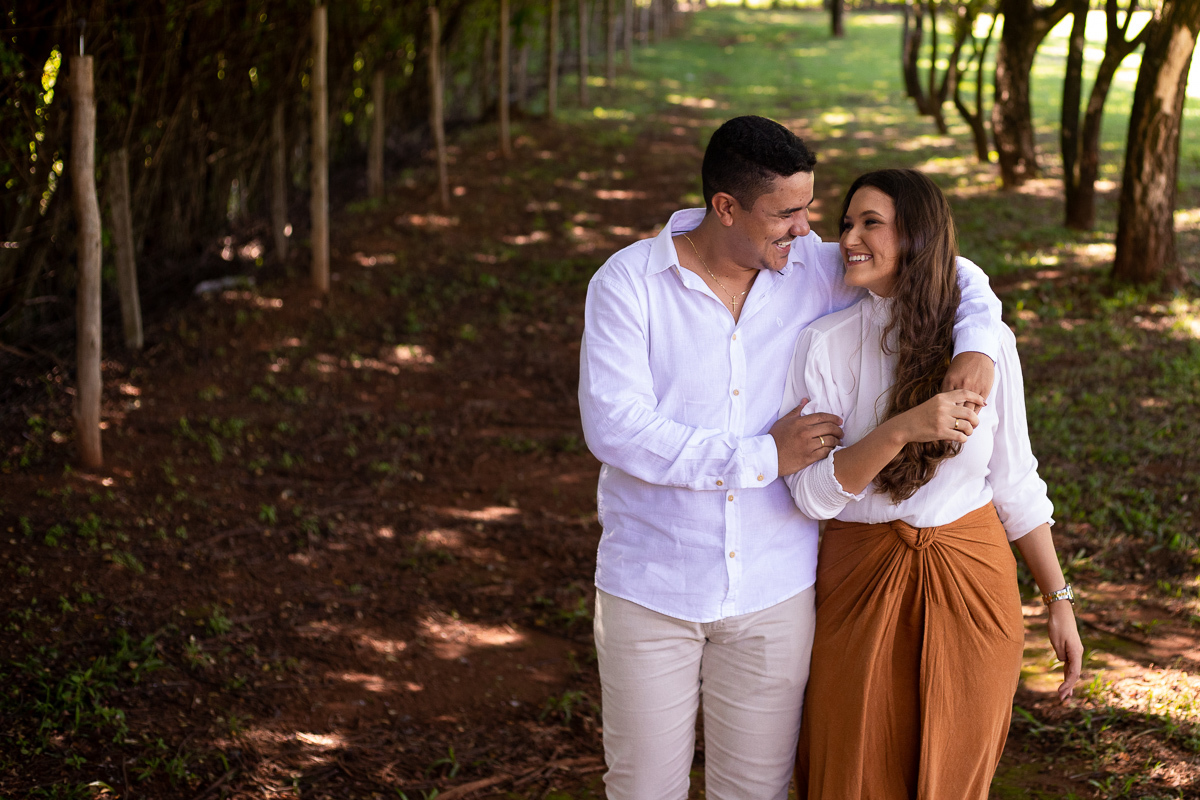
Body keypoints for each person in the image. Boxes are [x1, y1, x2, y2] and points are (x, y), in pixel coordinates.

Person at [577, 116, 1008, 800]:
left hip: (773, 593)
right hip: (652, 586)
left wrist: (979, 340)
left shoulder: (807, 265)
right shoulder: (628, 284)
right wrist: (763, 457)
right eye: (786, 214)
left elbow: (943, 264)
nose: (807, 230)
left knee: (755, 791)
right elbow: (617, 428)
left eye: (809, 209)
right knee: (641, 789)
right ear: (726, 207)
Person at [781, 169, 1084, 800]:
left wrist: (1058, 599)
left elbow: (1015, 481)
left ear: (916, 236)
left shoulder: (984, 345)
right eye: (846, 223)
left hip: (973, 582)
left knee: (955, 775)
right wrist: (900, 430)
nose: (849, 239)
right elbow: (810, 495)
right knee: (851, 771)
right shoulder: (825, 346)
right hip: (859, 580)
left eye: (871, 223)